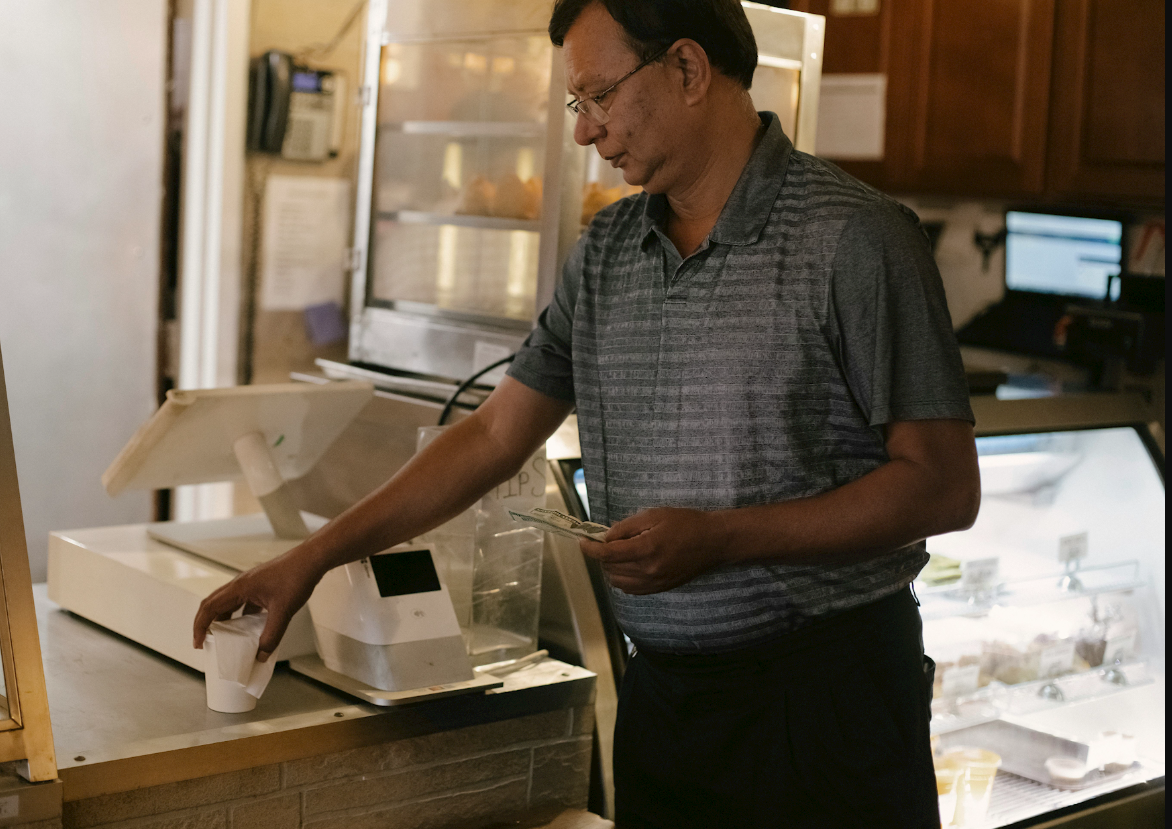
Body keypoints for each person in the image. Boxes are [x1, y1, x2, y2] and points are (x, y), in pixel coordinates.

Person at [194, 0, 980, 825]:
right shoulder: (608, 250)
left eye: (598, 95)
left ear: (687, 68)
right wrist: (312, 557)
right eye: (577, 104)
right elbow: (494, 433)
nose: (582, 131)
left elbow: (941, 486)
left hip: (825, 706)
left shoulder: (856, 237)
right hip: (666, 699)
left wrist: (720, 537)